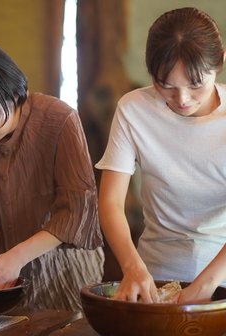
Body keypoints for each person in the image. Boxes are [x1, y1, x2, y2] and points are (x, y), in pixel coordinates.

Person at [0, 42, 104, 311]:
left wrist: (17, 256)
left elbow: (77, 208)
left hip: (63, 269)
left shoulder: (59, 120)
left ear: (15, 94)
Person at [96, 7, 226, 304]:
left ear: (219, 63)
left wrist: (206, 285)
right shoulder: (134, 110)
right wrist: (132, 267)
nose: (181, 100)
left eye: (196, 85)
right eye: (166, 86)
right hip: (154, 276)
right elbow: (111, 201)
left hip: (221, 278)